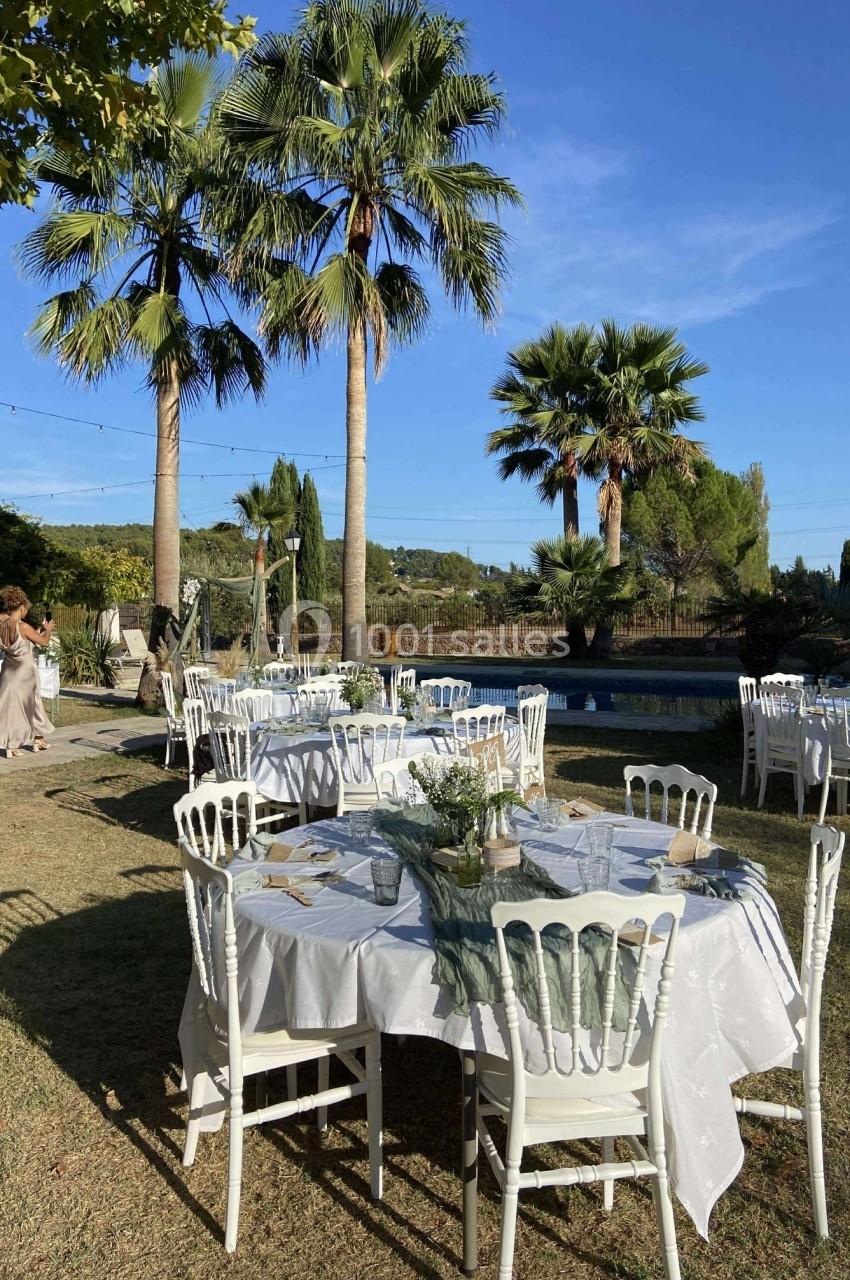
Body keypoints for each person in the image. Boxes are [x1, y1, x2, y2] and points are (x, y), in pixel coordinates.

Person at [0, 586, 56, 757]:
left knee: (10, 708)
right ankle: (36, 738)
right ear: (22, 606)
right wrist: (47, 630)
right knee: (32, 704)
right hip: (25, 671)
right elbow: (43, 642)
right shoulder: (22, 626)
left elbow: (23, 643)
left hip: (8, 670)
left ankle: (12, 745)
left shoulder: (2, 625)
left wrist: (38, 632)